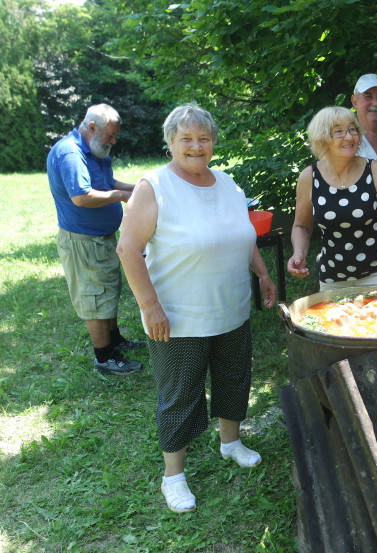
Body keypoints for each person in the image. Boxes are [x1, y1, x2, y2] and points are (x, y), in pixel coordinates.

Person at [116, 103, 277, 513]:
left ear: (213, 143)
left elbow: (243, 237)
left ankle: (231, 441)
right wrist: (149, 306)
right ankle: (174, 476)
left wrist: (261, 274)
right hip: (179, 317)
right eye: (186, 138)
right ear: (170, 142)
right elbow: (128, 248)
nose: (195, 146)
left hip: (231, 308)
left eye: (203, 138)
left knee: (234, 377)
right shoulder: (153, 187)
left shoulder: (228, 184)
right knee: (181, 395)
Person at [287, 106, 377, 290]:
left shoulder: (374, 170)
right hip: (333, 279)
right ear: (323, 139)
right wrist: (299, 254)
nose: (349, 137)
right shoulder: (309, 177)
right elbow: (301, 226)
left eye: (352, 129)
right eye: (338, 132)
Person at [47, 103, 146, 375]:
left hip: (101, 238)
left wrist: (138, 188)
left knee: (108, 291)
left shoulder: (95, 150)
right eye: (110, 136)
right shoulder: (71, 153)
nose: (114, 141)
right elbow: (82, 197)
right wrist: (124, 197)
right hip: (83, 242)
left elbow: (107, 184)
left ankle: (115, 342)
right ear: (92, 127)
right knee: (95, 298)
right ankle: (105, 358)